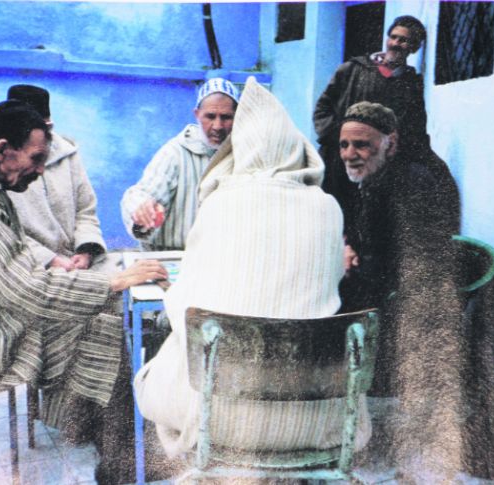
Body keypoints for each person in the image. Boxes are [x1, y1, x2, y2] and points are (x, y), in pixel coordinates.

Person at [0, 99, 168, 484]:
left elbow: (27, 257)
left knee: (98, 314)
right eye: (36, 159)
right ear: (2, 149)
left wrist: (84, 264)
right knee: (106, 329)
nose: (41, 171)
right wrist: (112, 282)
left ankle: (92, 430)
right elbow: (28, 290)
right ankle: (119, 461)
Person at [133, 77, 371, 470]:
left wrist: (171, 293)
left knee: (166, 353)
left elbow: (187, 310)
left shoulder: (220, 203)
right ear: (295, 147)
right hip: (319, 418)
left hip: (220, 420)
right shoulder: (329, 209)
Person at [336, 101, 471, 483]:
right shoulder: (383, 175)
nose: (350, 154)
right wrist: (351, 248)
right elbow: (370, 238)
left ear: (390, 143)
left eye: (361, 145)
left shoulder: (414, 182)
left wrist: (353, 266)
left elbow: (411, 260)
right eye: (344, 144)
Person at [313, 15, 458, 231]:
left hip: (379, 163)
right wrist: (338, 140)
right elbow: (323, 109)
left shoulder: (411, 83)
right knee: (334, 215)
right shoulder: (352, 69)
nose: (396, 44)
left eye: (404, 40)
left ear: (414, 48)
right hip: (341, 159)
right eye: (394, 37)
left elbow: (416, 127)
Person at [4, 84, 117, 273]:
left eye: (46, 129)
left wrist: (86, 250)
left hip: (75, 263)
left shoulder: (67, 153)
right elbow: (3, 232)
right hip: (26, 269)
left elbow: (85, 211)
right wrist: (49, 259)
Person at [120, 77, 239, 251]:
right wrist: (142, 209)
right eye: (210, 116)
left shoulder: (241, 154)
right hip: (170, 254)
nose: (218, 126)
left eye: (226, 117)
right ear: (197, 114)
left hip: (219, 254)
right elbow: (144, 192)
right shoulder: (175, 153)